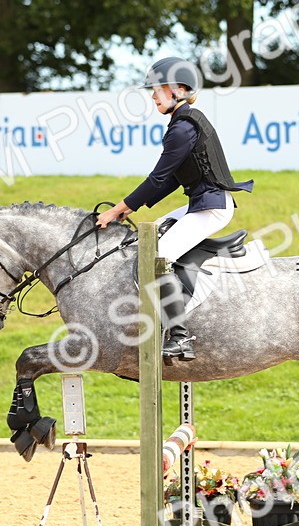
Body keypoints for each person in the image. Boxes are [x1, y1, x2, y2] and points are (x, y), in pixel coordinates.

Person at [96, 57, 253, 362]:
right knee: (151, 238)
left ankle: (180, 337)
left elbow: (157, 178)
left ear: (179, 90)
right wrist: (132, 208)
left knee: (155, 258)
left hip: (211, 207)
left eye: (158, 89)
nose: (153, 95)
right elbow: (170, 179)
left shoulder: (183, 129)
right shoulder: (183, 123)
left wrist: (117, 209)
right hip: (202, 202)